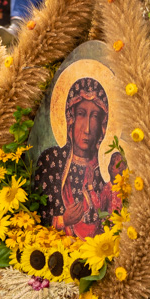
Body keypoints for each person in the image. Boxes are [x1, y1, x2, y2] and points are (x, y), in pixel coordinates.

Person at [34, 78, 121, 238]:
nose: (87, 128)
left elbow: (114, 221)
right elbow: (35, 217)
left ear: (103, 125)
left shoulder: (104, 172)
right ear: (70, 118)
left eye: (95, 116)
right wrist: (62, 220)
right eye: (81, 114)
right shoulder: (51, 162)